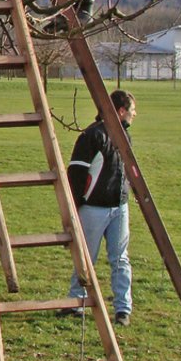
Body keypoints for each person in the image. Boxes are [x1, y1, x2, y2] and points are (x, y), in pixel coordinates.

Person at [59, 89, 136, 326]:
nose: (134, 116)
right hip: (93, 208)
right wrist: (76, 207)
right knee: (86, 258)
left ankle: (123, 309)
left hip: (119, 207)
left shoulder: (124, 136)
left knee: (120, 259)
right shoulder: (92, 136)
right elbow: (77, 173)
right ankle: (77, 301)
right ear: (121, 111)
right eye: (132, 111)